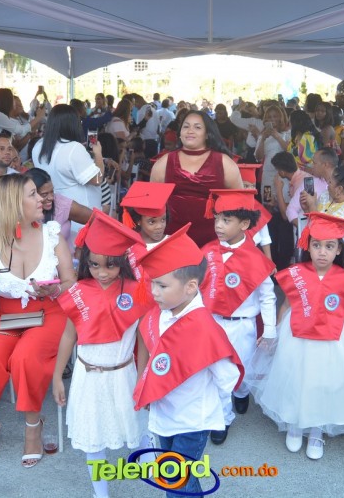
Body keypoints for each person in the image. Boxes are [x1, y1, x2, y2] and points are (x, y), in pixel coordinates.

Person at [0, 173, 75, 469]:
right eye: (33, 195)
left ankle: (33, 428)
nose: (42, 199)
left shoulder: (51, 234)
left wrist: (55, 290)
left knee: (26, 357)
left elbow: (71, 282)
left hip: (49, 312)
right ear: (13, 204)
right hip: (4, 316)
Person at [134, 225, 243, 498]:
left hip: (193, 421)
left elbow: (228, 377)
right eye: (152, 283)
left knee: (177, 481)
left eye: (162, 285)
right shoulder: (161, 314)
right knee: (175, 477)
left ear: (190, 287)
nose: (154, 292)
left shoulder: (204, 328)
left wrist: (198, 378)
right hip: (165, 413)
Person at [53, 210, 154, 498]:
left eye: (110, 266)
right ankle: (101, 493)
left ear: (122, 262)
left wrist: (143, 377)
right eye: (95, 265)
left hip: (123, 373)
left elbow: (143, 340)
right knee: (93, 437)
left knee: (136, 429)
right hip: (87, 376)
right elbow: (69, 335)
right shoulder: (78, 291)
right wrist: (57, 375)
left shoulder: (137, 292)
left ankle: (155, 474)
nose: (102, 273)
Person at [251, 213, 344, 460]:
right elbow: (286, 305)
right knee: (296, 378)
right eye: (316, 245)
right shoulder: (296, 273)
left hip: (332, 337)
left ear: (338, 250)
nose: (322, 252)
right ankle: (295, 423)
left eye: (329, 246)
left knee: (325, 380)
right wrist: (274, 332)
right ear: (308, 246)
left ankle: (316, 429)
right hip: (297, 335)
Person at [199, 189, 276, 444]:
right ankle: (222, 418)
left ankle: (241, 392)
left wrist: (270, 329)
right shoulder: (207, 251)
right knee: (218, 373)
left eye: (226, 220)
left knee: (242, 367)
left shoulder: (256, 258)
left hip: (243, 326)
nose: (218, 225)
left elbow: (267, 296)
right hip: (214, 323)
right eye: (216, 218)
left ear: (244, 224)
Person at [150, 111, 242, 247]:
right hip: (171, 239)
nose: (190, 131)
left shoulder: (224, 163)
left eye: (197, 127)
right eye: (186, 126)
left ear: (207, 134)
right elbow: (152, 206)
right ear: (180, 133)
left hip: (214, 240)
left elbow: (239, 204)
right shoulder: (164, 162)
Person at [33, 104, 104, 239]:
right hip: (81, 215)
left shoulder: (38, 146)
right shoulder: (73, 148)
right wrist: (98, 154)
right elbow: (97, 179)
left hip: (55, 214)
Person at [301, 165, 344, 244]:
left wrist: (312, 205)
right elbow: (313, 220)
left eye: (330, 182)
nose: (327, 184)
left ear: (339, 189)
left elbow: (321, 231)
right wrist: (307, 208)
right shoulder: (327, 195)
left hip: (339, 250)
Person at [23, 167, 92, 246]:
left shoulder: (62, 205)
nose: (51, 198)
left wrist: (81, 246)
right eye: (44, 194)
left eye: (52, 191)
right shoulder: (18, 214)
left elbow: (97, 220)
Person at [0, 88, 45, 153]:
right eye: (12, 100)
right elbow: (21, 131)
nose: (14, 103)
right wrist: (38, 117)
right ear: (7, 101)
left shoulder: (2, 116)